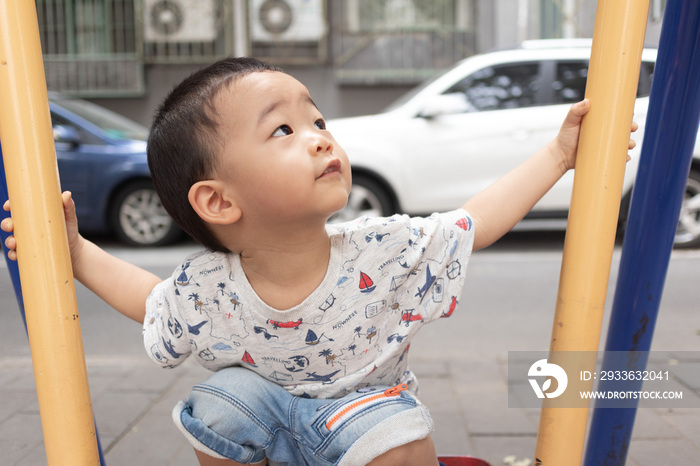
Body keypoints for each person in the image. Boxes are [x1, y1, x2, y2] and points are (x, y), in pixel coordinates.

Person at [2, 57, 636, 466]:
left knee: (399, 434)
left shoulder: (380, 251)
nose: (320, 135)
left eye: (318, 118)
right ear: (218, 201)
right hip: (272, 435)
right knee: (217, 402)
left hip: (361, 419)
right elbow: (149, 299)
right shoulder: (208, 288)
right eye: (283, 131)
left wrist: (558, 156)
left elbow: (475, 223)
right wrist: (75, 251)